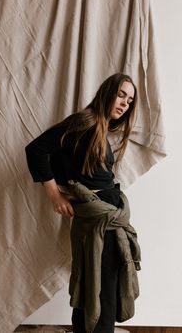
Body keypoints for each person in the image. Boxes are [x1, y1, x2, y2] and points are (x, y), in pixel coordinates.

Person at [25, 73, 141, 333]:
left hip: (107, 218)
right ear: (107, 92)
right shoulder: (84, 121)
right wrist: (55, 195)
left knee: (99, 284)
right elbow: (36, 150)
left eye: (130, 100)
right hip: (99, 220)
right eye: (121, 95)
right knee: (100, 288)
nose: (125, 104)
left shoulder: (97, 128)